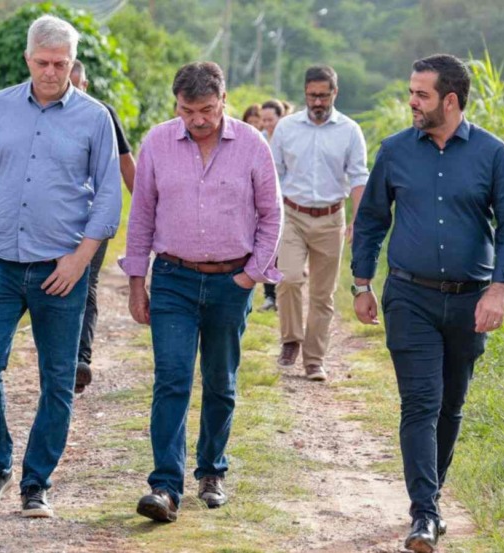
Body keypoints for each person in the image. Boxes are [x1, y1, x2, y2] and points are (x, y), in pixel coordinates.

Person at [351, 54, 504, 552]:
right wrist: (362, 283)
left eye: (421, 94)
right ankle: (423, 514)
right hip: (409, 296)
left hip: (470, 301)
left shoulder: (494, 155)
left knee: (451, 405)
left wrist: (499, 288)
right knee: (420, 403)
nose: (411, 101)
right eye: (411, 92)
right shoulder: (395, 151)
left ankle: (434, 494)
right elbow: (371, 220)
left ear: (450, 100)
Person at [0, 14, 121, 518]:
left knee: (59, 378)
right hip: (0, 262)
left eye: (61, 64)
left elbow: (109, 195)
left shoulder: (94, 118)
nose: (52, 72)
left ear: (73, 63)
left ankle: (36, 481)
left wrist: (81, 261)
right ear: (28, 59)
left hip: (60, 267)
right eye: (44, 63)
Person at [122, 61, 282, 523]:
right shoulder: (156, 143)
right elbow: (142, 216)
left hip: (231, 282)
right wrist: (137, 281)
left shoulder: (253, 146)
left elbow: (272, 214)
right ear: (177, 104)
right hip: (173, 278)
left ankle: (212, 471)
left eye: (206, 110)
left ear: (224, 101)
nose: (197, 119)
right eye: (188, 109)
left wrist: (252, 276)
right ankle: (165, 487)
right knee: (171, 378)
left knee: (220, 381)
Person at [271, 66, 369, 381]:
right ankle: (290, 339)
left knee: (322, 294)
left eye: (323, 95)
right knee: (288, 278)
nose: (317, 101)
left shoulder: (350, 131)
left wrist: (358, 220)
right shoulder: (286, 128)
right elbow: (273, 173)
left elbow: (358, 177)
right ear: (305, 93)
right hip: (292, 215)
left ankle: (314, 360)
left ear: (334, 94)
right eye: (312, 95)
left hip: (331, 218)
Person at [68, 59, 137, 394]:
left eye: (76, 85)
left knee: (86, 282)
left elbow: (126, 165)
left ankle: (79, 359)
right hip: (50, 221)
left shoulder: (103, 114)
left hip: (94, 217)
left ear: (86, 85)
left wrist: (148, 211)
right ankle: (57, 357)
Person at [257, 98, 287, 312]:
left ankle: (284, 293)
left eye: (271, 119)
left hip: (288, 203)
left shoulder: (289, 139)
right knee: (268, 248)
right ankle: (270, 296)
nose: (267, 123)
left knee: (284, 251)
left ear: (280, 117)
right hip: (264, 201)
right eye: (264, 120)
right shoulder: (259, 139)